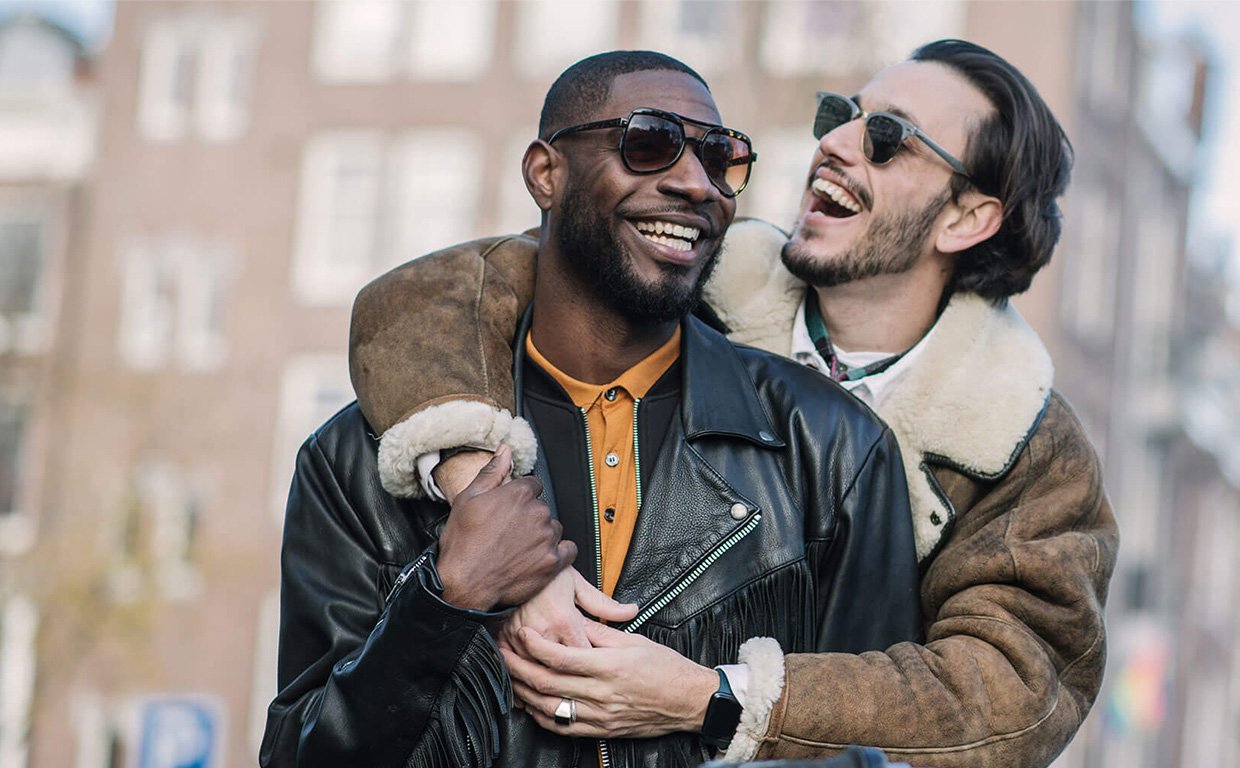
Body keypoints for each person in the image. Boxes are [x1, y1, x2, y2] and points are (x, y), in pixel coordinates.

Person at [347, 40, 1117, 766]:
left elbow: (1012, 695)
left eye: (888, 138)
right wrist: (494, 506)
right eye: (839, 116)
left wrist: (717, 697)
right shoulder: (686, 280)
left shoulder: (1023, 445)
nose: (838, 143)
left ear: (967, 218)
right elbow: (428, 300)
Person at [261, 51, 921, 768]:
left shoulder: (831, 451)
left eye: (721, 158)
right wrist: (445, 602)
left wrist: (710, 703)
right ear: (546, 173)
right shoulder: (355, 459)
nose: (695, 183)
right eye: (648, 142)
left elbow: (875, 747)